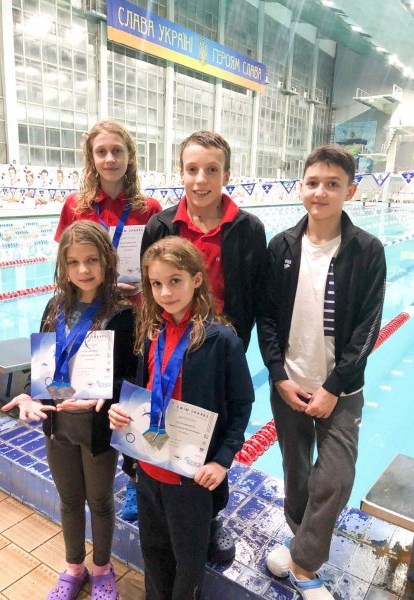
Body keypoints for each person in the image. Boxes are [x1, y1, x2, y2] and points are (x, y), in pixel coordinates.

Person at [132, 130, 267, 561]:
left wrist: (234, 347)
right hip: (168, 341)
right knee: (162, 417)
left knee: (214, 434)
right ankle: (148, 486)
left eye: (211, 169)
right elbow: (150, 288)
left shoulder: (248, 229)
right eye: (192, 169)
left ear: (227, 174)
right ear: (180, 172)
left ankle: (209, 515)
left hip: (217, 352)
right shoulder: (161, 225)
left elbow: (253, 297)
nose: (201, 179)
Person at [261, 145, 386, 599]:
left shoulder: (367, 250)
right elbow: (266, 317)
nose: (321, 192)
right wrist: (278, 374)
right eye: (313, 182)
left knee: (334, 478)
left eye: (333, 184)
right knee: (295, 474)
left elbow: (370, 326)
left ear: (350, 191)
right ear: (301, 188)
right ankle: (302, 548)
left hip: (342, 391)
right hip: (289, 385)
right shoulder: (282, 246)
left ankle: (302, 564)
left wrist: (334, 386)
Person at [108, 236, 254, 600]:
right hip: (148, 470)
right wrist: (123, 414)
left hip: (191, 478)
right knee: (154, 556)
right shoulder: (151, 332)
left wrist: (222, 461)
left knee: (188, 566)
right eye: (156, 283)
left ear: (197, 279)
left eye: (175, 281)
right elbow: (144, 393)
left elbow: (242, 405)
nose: (165, 292)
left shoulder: (222, 341)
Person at [2, 220, 136, 600]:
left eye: (92, 260)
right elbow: (43, 365)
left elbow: (130, 376)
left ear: (107, 260)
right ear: (63, 264)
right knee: (70, 500)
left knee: (100, 501)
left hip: (96, 428)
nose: (83, 270)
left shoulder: (122, 312)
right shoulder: (54, 306)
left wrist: (110, 398)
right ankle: (74, 567)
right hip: (57, 423)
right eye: (73, 262)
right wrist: (30, 396)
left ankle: (103, 567)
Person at [55, 118, 162, 295]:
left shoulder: (150, 209)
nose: (110, 159)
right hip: (89, 304)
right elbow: (65, 264)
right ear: (92, 158)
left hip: (136, 305)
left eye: (117, 151)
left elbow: (163, 265)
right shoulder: (74, 205)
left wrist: (145, 285)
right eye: (101, 152)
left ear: (130, 156)